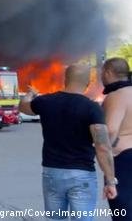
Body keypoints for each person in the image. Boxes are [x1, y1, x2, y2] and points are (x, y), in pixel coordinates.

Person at [20, 64, 117, 221]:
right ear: (88, 82)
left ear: (65, 79)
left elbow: (23, 107)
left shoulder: (46, 101)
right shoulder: (91, 108)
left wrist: (30, 94)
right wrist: (110, 181)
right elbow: (103, 147)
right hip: (82, 175)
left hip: (52, 173)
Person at [101, 57, 132, 220]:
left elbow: (111, 129)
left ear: (108, 73)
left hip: (124, 159)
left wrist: (107, 148)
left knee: (123, 210)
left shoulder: (116, 96)